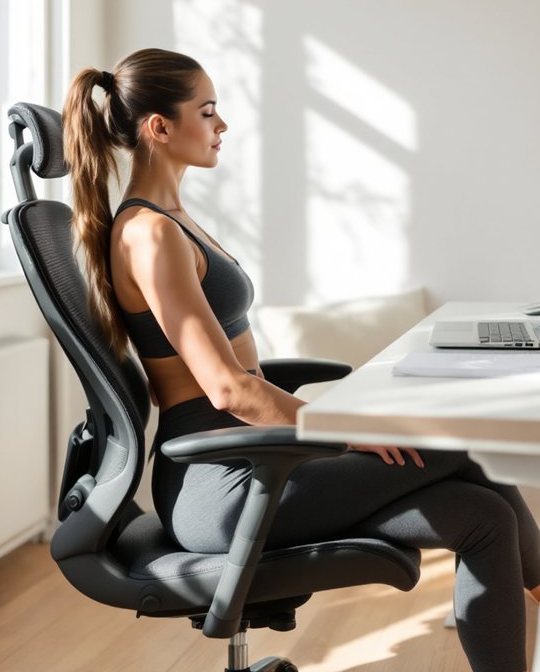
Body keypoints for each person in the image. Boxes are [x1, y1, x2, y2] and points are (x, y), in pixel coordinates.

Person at [63, 47, 540, 672]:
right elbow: (229, 389)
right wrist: (347, 432)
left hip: (255, 460)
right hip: (221, 484)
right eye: (207, 113)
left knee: (482, 517)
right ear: (159, 127)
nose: (222, 126)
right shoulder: (150, 234)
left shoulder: (176, 221)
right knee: (466, 441)